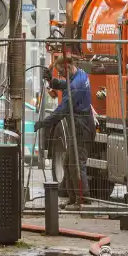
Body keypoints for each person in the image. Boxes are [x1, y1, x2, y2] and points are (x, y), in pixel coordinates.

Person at [35, 56, 94, 209]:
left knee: (76, 164)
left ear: (68, 67)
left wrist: (43, 123)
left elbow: (61, 111)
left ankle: (83, 200)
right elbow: (65, 84)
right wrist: (52, 81)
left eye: (61, 72)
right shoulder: (80, 74)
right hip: (79, 126)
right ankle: (73, 199)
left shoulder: (76, 86)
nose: (61, 75)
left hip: (82, 128)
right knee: (68, 163)